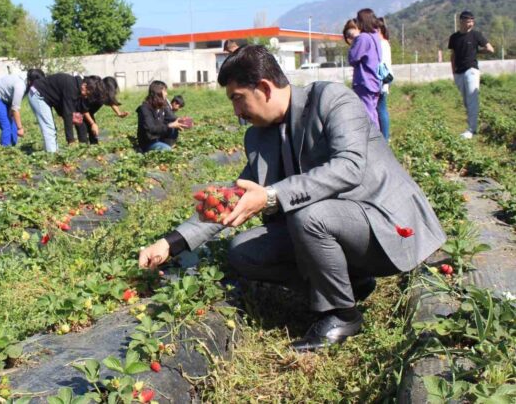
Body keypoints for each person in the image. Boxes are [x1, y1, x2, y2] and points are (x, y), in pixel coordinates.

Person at [138, 45, 446, 352]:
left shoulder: (332, 100)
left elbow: (349, 167)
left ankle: (342, 314)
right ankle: (347, 285)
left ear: (264, 88)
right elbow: (235, 197)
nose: (236, 112)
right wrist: (170, 243)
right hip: (332, 228)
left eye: (237, 99)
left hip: (385, 226)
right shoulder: (260, 135)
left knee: (308, 216)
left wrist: (272, 196)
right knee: (243, 251)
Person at [28, 72, 106, 153]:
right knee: (49, 127)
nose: (87, 96)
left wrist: (92, 123)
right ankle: (51, 156)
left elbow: (79, 110)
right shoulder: (71, 87)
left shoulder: (78, 87)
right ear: (84, 86)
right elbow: (67, 114)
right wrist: (71, 140)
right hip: (37, 94)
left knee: (52, 128)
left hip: (45, 96)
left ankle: (53, 151)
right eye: (88, 93)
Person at [448, 11, 495, 139]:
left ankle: (471, 129)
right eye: (468, 21)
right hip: (459, 72)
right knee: (466, 101)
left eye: (472, 21)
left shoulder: (476, 35)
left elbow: (490, 49)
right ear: (461, 21)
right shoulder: (454, 37)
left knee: (472, 99)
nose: (471, 23)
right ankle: (472, 126)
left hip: (471, 70)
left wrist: (477, 51)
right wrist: (453, 72)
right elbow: (453, 55)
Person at [348, 9, 383, 129]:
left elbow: (353, 58)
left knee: (367, 114)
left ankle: (373, 141)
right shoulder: (375, 36)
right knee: (373, 111)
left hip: (365, 81)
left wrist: (353, 41)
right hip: (375, 80)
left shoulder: (363, 38)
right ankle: (377, 139)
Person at [136, 81, 187, 152]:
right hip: (148, 142)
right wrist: (170, 125)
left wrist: (182, 121)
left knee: (174, 128)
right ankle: (144, 150)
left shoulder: (161, 107)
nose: (167, 94)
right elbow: (151, 129)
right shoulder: (144, 109)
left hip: (158, 138)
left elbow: (170, 117)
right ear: (158, 92)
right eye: (165, 91)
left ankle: (168, 145)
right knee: (167, 150)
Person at [83, 76, 130, 145]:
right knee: (83, 134)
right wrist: (92, 123)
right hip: (81, 112)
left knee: (94, 134)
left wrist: (119, 113)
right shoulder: (95, 92)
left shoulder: (105, 93)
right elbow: (84, 109)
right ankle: (81, 148)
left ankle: (94, 148)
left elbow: (111, 102)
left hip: (89, 113)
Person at [0, 72, 27, 147]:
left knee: (13, 125)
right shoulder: (20, 86)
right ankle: (5, 151)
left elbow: (13, 106)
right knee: (7, 126)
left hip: (6, 98)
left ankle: (13, 147)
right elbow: (15, 109)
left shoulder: (27, 80)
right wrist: (20, 128)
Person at [376, 17, 392, 140]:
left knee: (381, 109)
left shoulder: (381, 44)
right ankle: (384, 137)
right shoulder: (385, 42)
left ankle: (385, 138)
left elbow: (381, 64)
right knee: (381, 108)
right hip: (384, 79)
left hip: (381, 79)